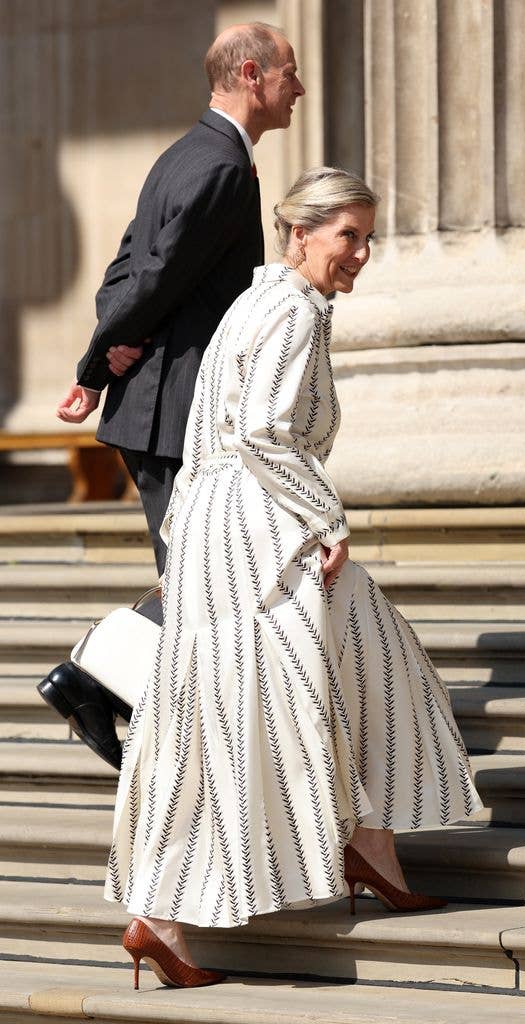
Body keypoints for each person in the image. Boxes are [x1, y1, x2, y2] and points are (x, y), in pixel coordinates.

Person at [108, 167, 483, 990]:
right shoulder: (292, 311)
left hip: (224, 525)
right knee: (253, 712)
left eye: (367, 236)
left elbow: (218, 434)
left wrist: (189, 539)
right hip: (260, 527)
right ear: (301, 232)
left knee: (281, 689)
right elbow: (265, 434)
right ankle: (169, 915)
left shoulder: (257, 301)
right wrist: (325, 517)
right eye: (347, 235)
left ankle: (364, 842)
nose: (361, 253)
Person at [37, 23, 305, 769]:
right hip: (175, 417)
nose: (299, 88)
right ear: (251, 75)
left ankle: (117, 696)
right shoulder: (217, 166)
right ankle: (97, 684)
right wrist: (97, 363)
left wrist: (115, 341)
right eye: (290, 73)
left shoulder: (186, 155)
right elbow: (149, 277)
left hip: (163, 406)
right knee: (203, 578)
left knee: (208, 573)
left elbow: (124, 274)